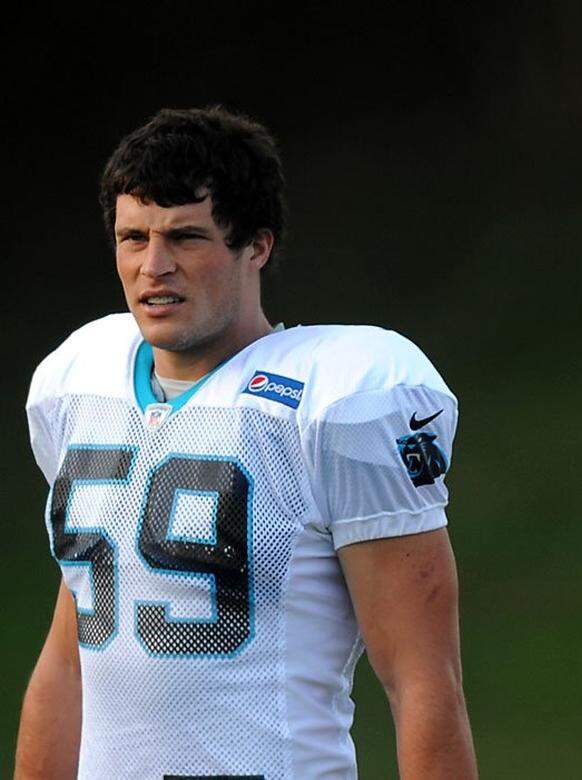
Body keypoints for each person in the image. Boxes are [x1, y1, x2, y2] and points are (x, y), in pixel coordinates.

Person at [17, 106, 477, 779]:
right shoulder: (79, 383)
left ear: (255, 245)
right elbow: (70, 660)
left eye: (186, 237)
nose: (154, 266)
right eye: (133, 237)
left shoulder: (336, 400)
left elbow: (423, 681)